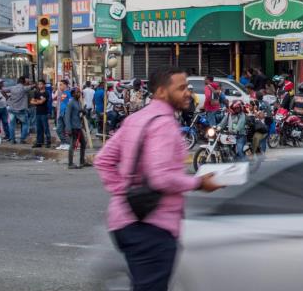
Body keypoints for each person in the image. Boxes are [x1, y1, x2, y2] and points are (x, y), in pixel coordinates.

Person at [95, 66, 222, 291]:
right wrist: (199, 183)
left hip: (124, 223)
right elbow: (161, 178)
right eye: (181, 88)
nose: (187, 93)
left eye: (188, 87)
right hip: (151, 228)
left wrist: (124, 193)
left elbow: (103, 159)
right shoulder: (164, 124)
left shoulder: (136, 118)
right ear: (162, 92)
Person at [64, 89, 88, 169]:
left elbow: (79, 114)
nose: (79, 94)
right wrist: (68, 128)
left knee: (83, 143)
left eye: (79, 92)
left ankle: (82, 161)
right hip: (73, 127)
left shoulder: (78, 102)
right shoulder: (71, 103)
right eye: (77, 93)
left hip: (78, 126)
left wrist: (83, 112)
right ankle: (70, 163)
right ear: (73, 94)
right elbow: (67, 116)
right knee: (72, 145)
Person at [6, 76, 31, 144]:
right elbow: (32, 86)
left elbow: (3, 90)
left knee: (11, 125)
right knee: (25, 124)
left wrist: (7, 98)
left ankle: (12, 139)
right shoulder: (24, 88)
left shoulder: (12, 88)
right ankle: (22, 139)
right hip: (21, 109)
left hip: (11, 108)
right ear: (24, 82)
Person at [30, 80, 52, 149]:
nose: (39, 86)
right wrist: (37, 101)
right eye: (39, 84)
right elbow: (31, 101)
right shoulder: (36, 92)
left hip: (44, 113)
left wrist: (36, 101)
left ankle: (48, 142)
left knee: (46, 128)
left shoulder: (46, 93)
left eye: (41, 84)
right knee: (39, 129)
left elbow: (42, 102)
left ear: (44, 85)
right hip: (38, 113)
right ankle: (39, 142)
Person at [54, 80, 72, 150]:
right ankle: (63, 143)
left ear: (65, 85)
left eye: (61, 84)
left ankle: (68, 143)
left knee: (67, 129)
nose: (59, 86)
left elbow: (70, 103)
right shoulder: (62, 93)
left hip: (66, 113)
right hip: (61, 113)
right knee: (59, 129)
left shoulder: (69, 93)